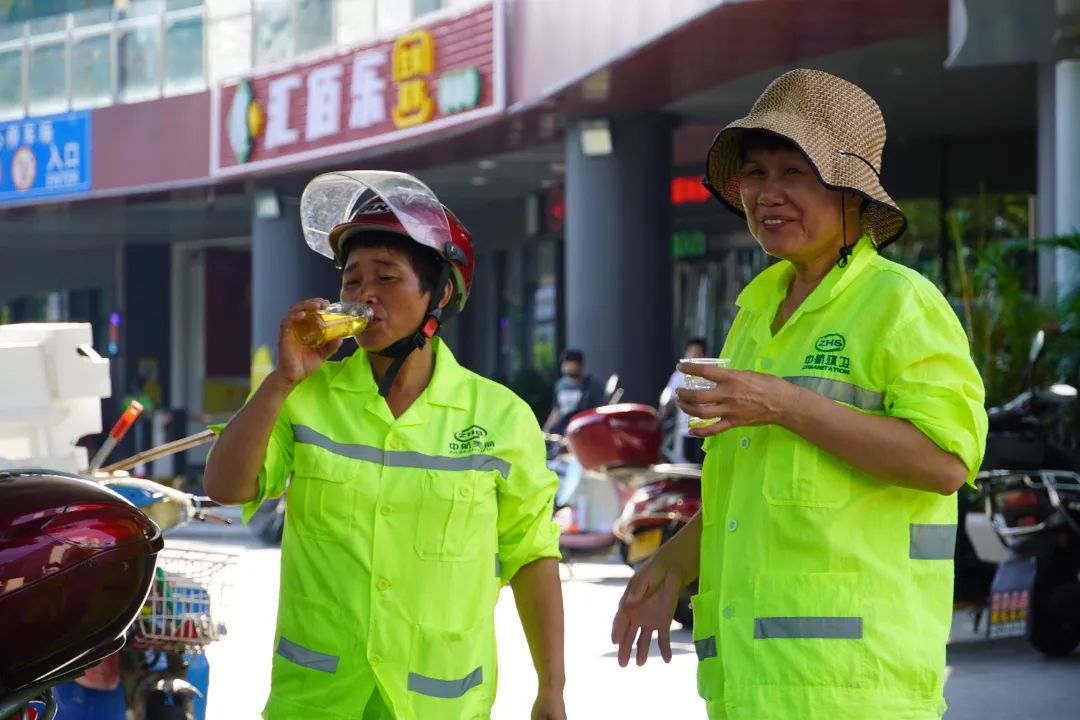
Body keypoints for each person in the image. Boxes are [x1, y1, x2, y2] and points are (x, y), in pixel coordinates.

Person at [610, 69, 988, 720]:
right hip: (751, 682)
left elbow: (945, 462)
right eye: (755, 173)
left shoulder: (900, 303)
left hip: (852, 684)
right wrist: (672, 562)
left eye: (795, 172)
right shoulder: (758, 311)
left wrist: (784, 403)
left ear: (852, 193)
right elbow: (761, 488)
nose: (767, 193)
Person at [204, 171, 566, 720]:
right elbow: (225, 488)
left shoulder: (501, 417)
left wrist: (551, 689)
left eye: (387, 277)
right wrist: (280, 382)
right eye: (352, 280)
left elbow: (532, 556)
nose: (364, 294)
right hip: (319, 703)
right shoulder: (303, 397)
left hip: (438, 704)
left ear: (438, 293)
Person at [661, 337, 710, 463]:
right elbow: (669, 398)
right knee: (688, 468)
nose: (694, 356)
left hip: (707, 430)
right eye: (691, 352)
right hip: (686, 430)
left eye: (698, 353)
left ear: (704, 355)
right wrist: (660, 418)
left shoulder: (712, 374)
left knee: (704, 467)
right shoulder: (679, 375)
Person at [542, 348, 606, 436]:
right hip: (564, 431)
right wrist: (546, 429)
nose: (567, 366)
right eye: (565, 363)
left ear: (579, 365)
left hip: (585, 430)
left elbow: (600, 410)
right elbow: (556, 410)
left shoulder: (592, 385)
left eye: (570, 363)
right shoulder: (559, 385)